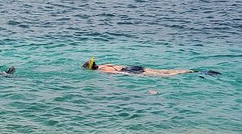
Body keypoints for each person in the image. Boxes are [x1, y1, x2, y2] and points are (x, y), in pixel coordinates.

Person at [82, 58, 220, 77]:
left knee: (165, 76)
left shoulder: (102, 70)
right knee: (167, 71)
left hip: (129, 71)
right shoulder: (106, 63)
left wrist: (138, 76)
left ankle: (197, 73)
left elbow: (120, 73)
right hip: (135, 66)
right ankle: (196, 71)